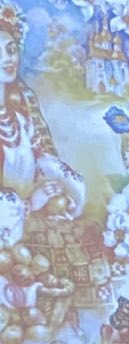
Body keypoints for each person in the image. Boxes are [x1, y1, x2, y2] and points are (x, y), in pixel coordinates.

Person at [0, 6, 85, 254]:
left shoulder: (21, 112)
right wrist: (29, 204)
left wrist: (57, 187)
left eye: (11, 49)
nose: (7, 59)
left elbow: (43, 158)